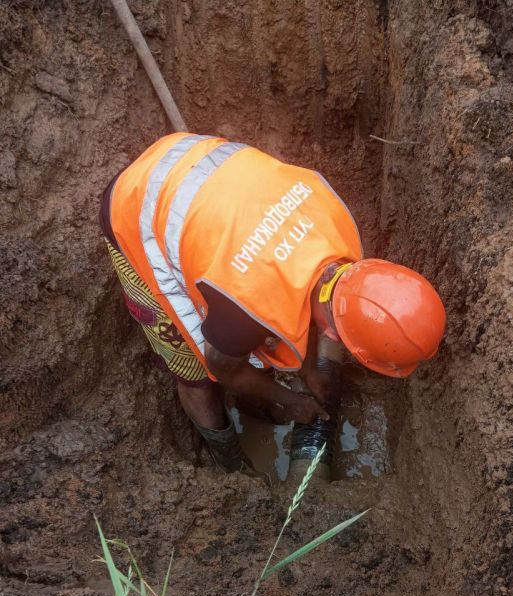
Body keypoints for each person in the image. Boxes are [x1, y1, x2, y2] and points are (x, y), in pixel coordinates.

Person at [100, 132, 446, 471]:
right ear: (338, 337)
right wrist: (290, 401)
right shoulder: (245, 310)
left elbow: (311, 298)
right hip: (136, 209)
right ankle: (230, 466)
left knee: (254, 337)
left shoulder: (337, 228)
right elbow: (223, 366)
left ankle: (253, 402)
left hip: (195, 161)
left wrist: (310, 370)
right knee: (196, 374)